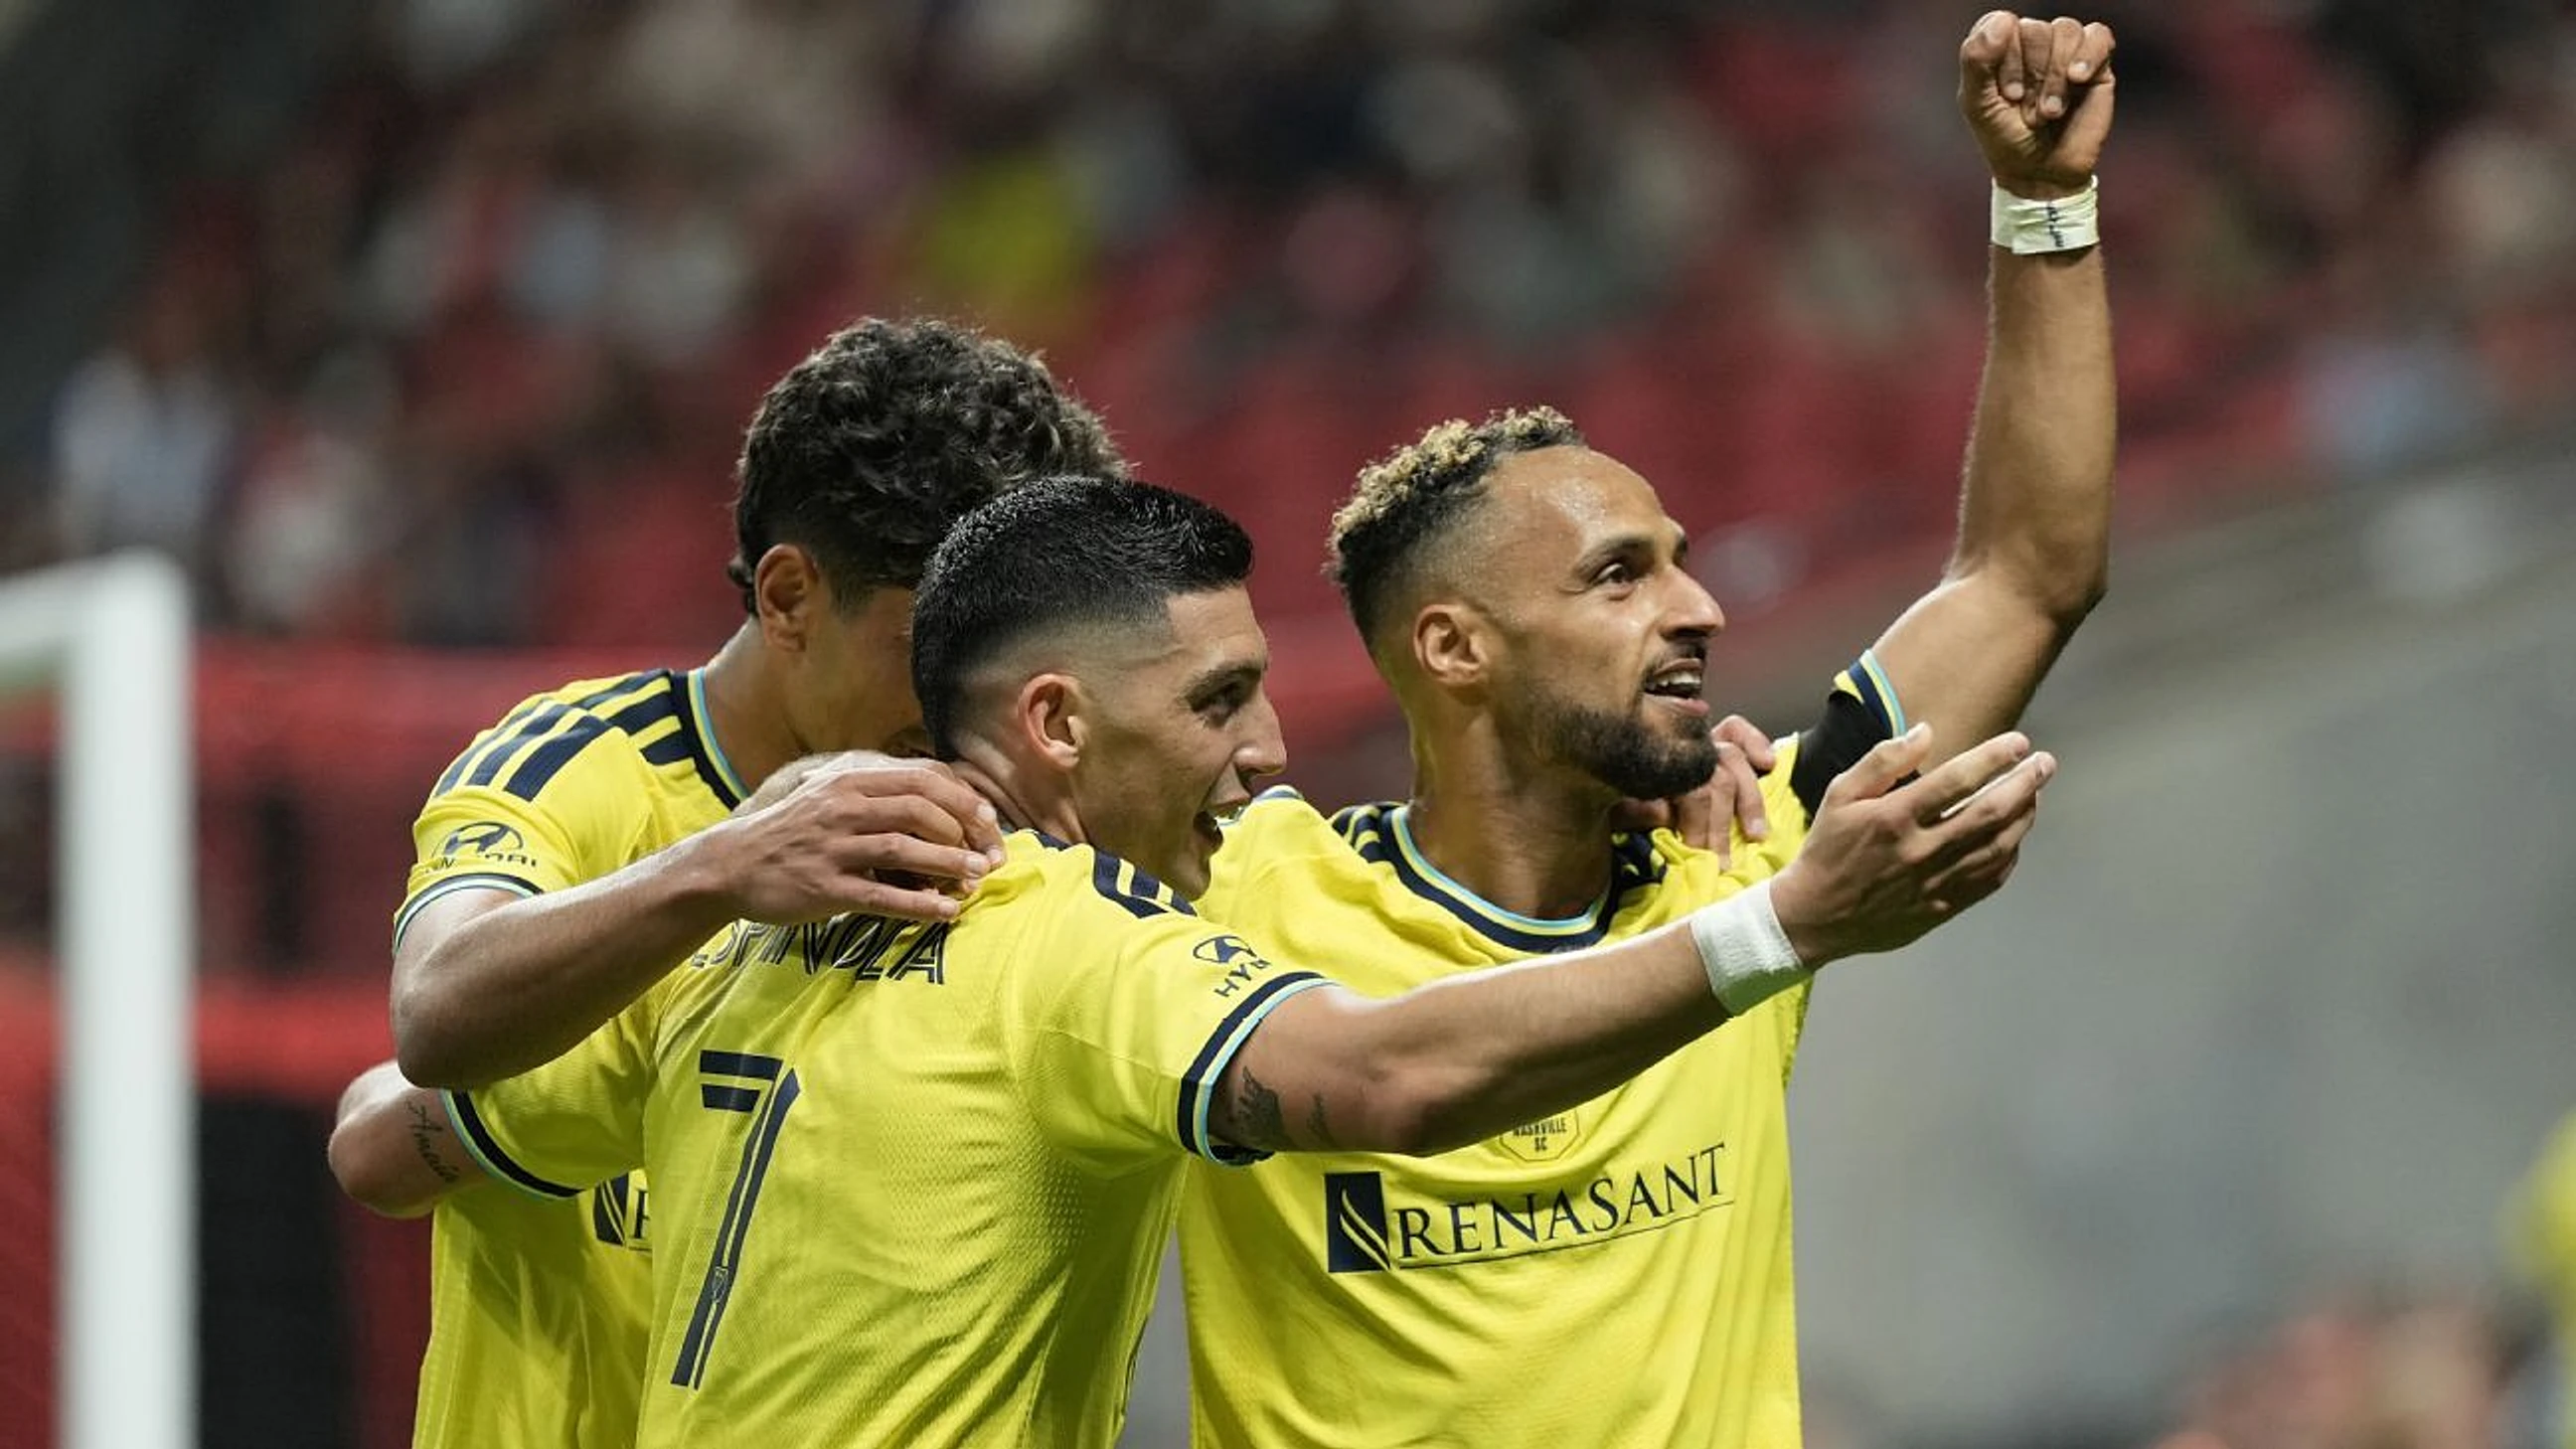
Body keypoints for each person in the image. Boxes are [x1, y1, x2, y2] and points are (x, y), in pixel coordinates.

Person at [330, 475, 2056, 1447]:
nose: (1267, 751)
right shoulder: (1079, 951)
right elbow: (1388, 1077)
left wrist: (708, 875)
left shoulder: (737, 942)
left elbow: (389, 1134)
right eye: (1221, 700)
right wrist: (1782, 924)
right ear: (1057, 723)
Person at [1174, 12, 2120, 1447]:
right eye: (1621, 576)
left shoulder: (1745, 853)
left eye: (1681, 562)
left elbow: (2028, 573)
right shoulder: (1240, 895)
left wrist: (2044, 205)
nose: (1700, 609)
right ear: (1454, 647)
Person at [327, 317, 1127, 1449]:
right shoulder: (581, 768)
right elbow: (435, 1009)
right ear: (791, 597)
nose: (977, 707)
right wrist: (724, 869)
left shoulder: (1019, 834)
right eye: (937, 652)